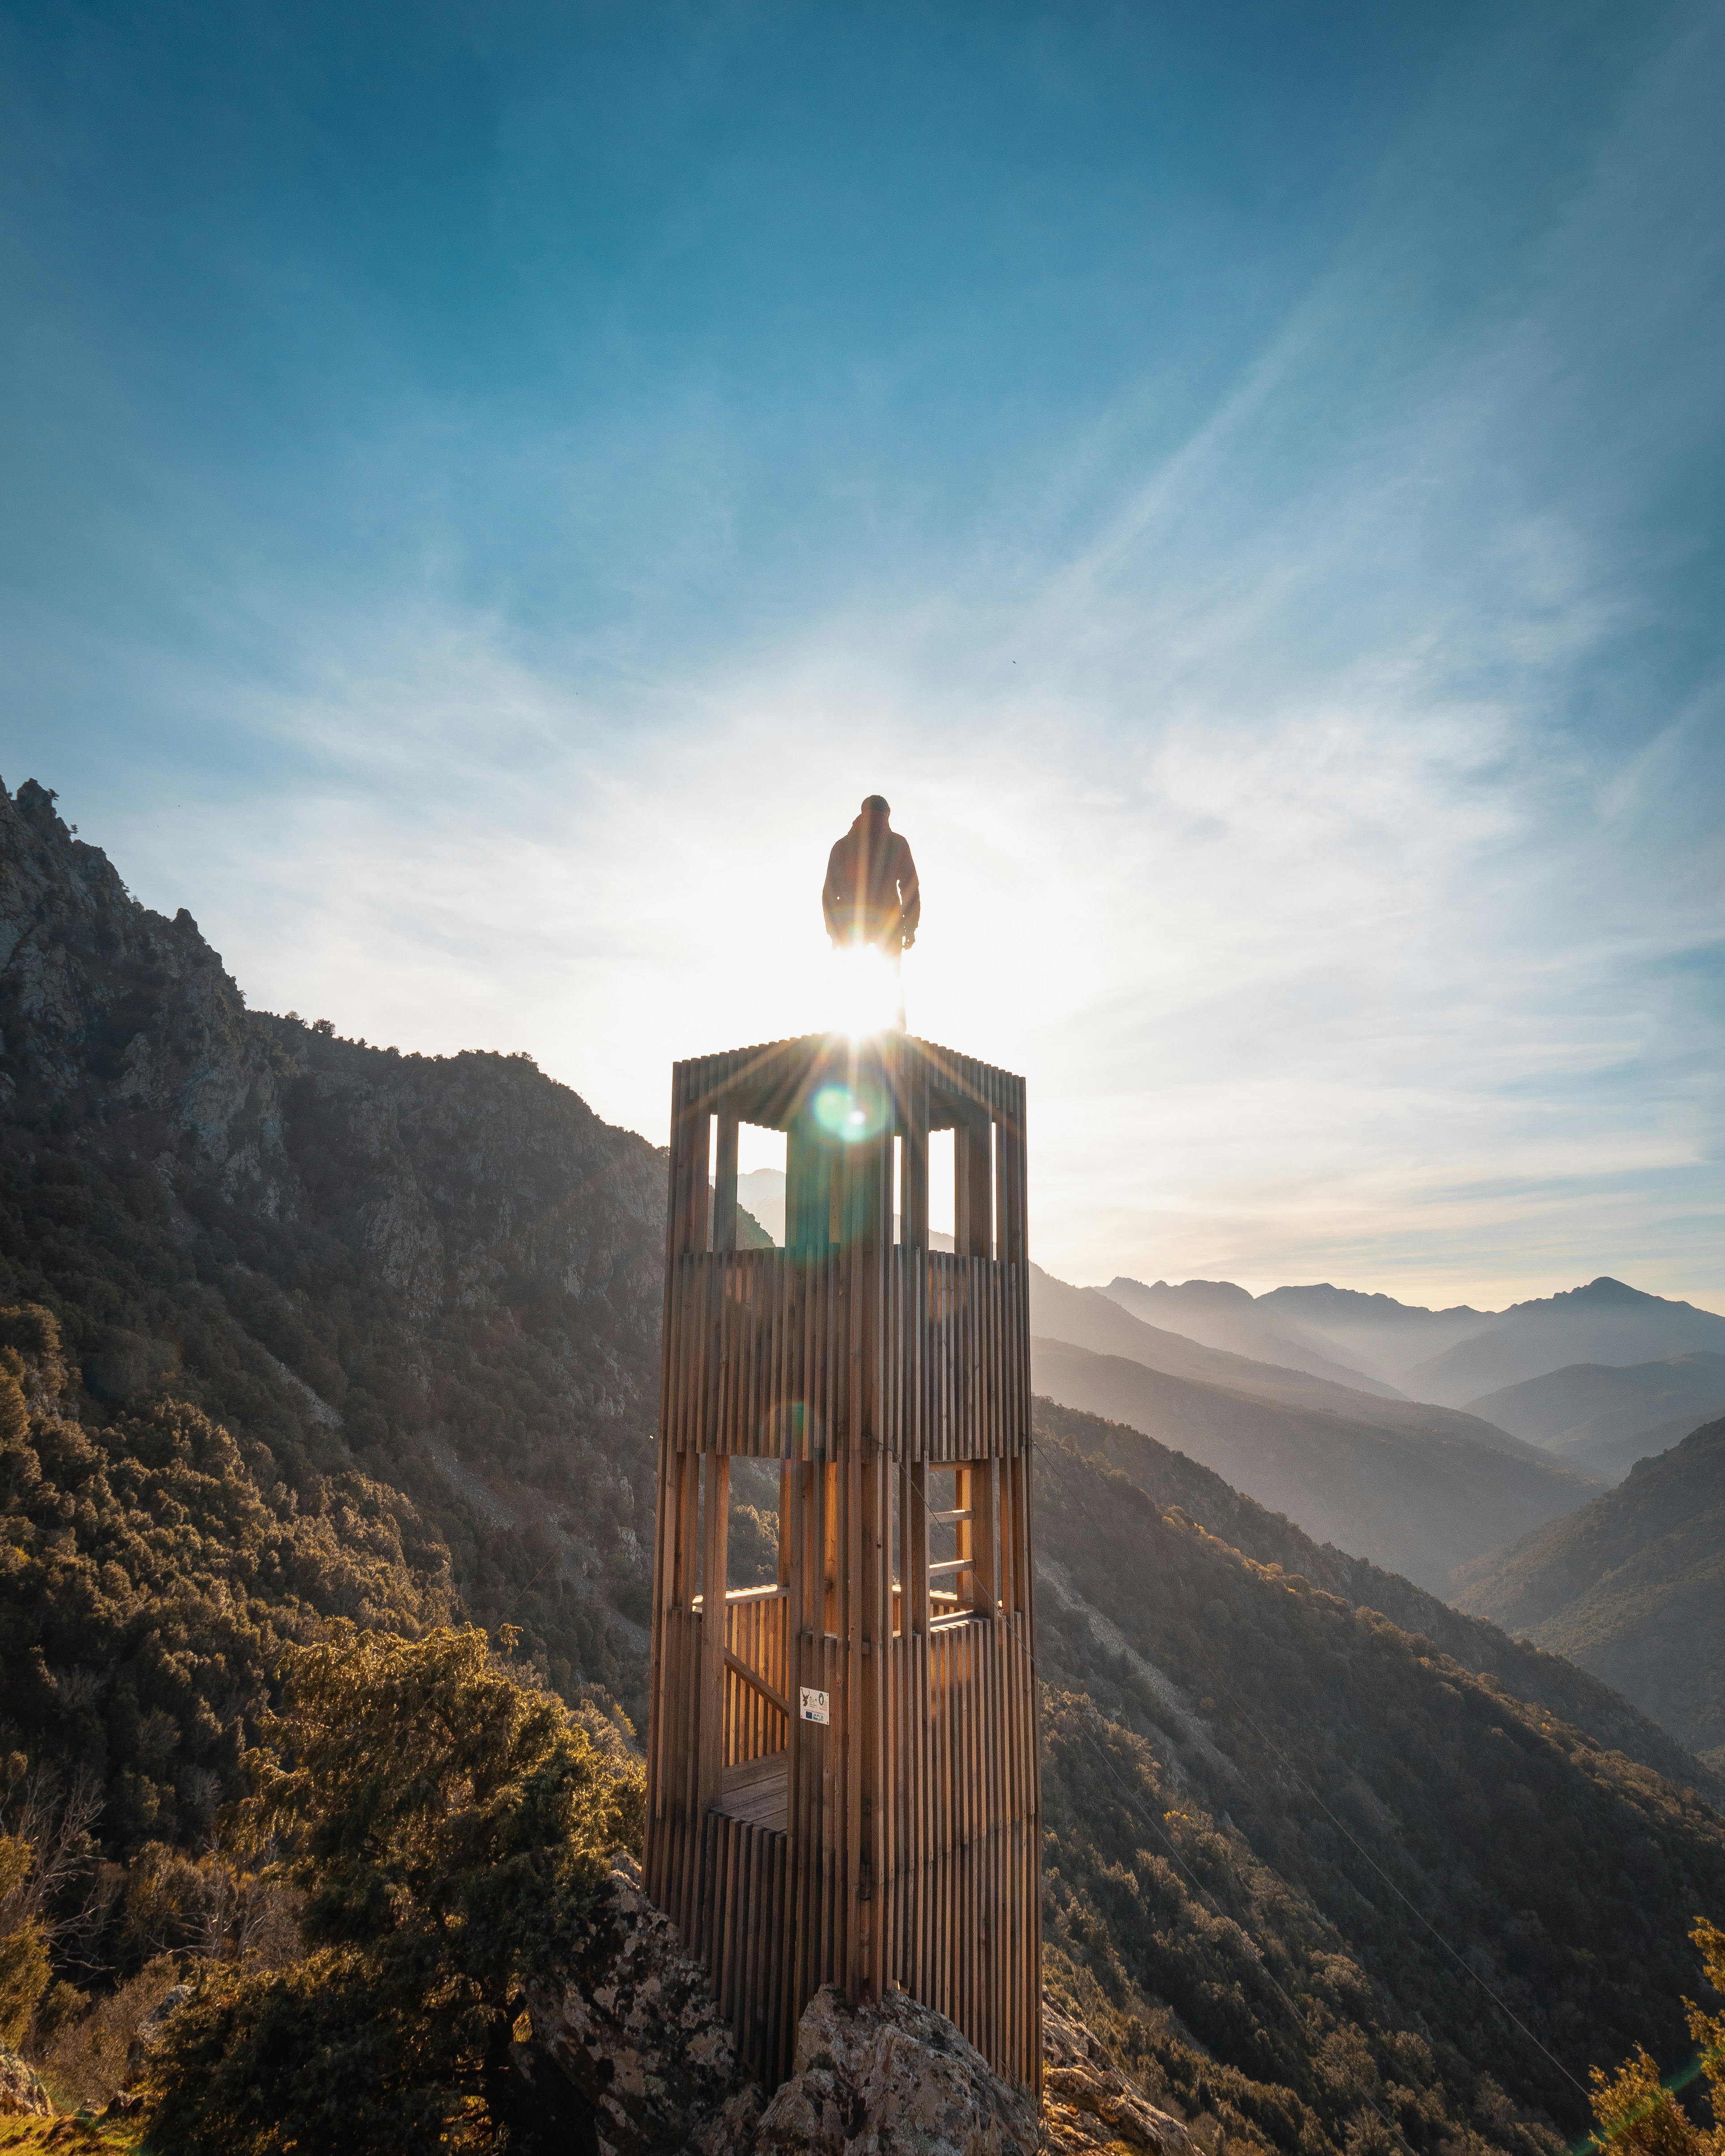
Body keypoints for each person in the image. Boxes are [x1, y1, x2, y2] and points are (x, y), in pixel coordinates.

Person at [822, 796, 920, 956]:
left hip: (851, 924)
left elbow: (830, 894)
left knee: (852, 978)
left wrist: (834, 931)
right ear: (887, 815)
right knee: (890, 977)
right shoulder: (897, 843)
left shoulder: (842, 846)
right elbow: (910, 889)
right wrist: (910, 927)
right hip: (890, 924)